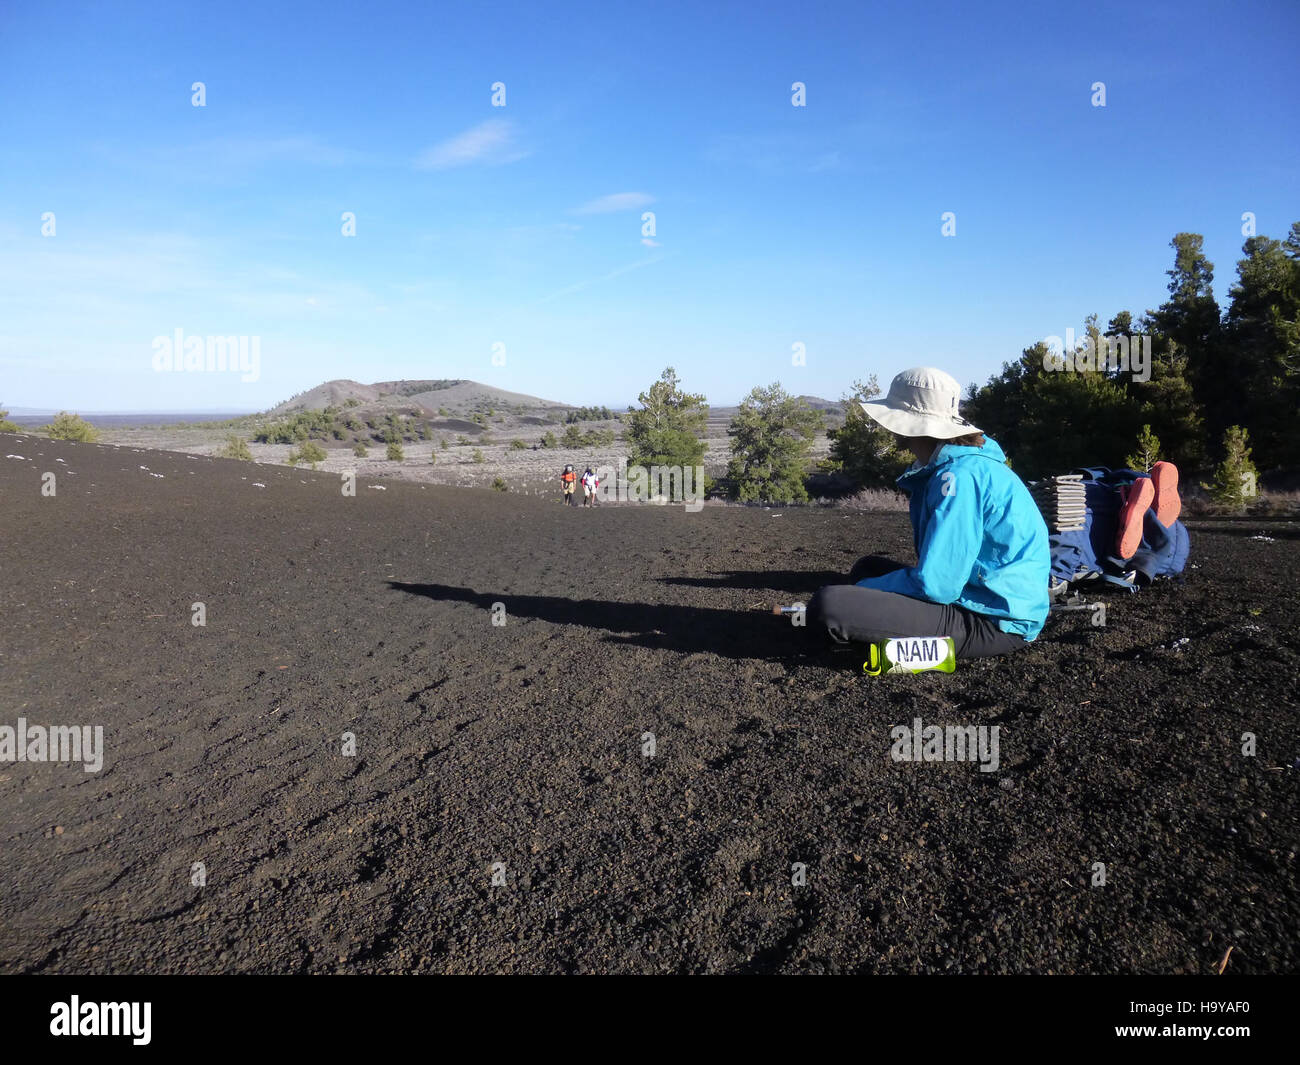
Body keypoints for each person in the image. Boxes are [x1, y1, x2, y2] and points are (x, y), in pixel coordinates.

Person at [807, 366, 1050, 659]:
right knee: (866, 568)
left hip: (993, 621)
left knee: (828, 606)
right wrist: (869, 584)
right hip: (984, 597)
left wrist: (868, 589)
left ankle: (904, 648)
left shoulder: (957, 478)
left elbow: (939, 585)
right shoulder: (966, 466)